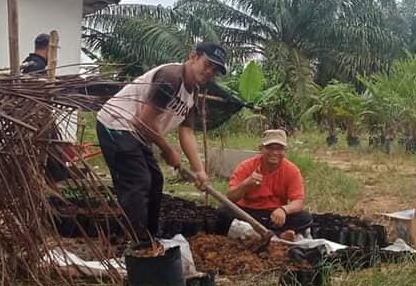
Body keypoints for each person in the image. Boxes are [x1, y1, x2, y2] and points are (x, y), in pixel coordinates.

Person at [95, 41, 227, 252]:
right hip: (116, 124)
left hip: (137, 132)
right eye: (207, 64)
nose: (210, 72)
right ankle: (136, 243)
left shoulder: (192, 92)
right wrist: (168, 150)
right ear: (193, 56)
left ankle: (149, 237)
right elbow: (143, 121)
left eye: (215, 70)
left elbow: (186, 131)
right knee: (138, 181)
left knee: (156, 180)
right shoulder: (171, 78)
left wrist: (199, 170)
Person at [221, 129, 312, 240]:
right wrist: (246, 184)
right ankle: (277, 235)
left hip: (274, 216)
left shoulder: (292, 170)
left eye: (279, 149)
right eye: (270, 148)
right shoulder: (246, 166)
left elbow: (298, 202)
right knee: (223, 211)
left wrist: (284, 210)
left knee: (305, 218)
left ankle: (259, 235)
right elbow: (230, 197)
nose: (274, 152)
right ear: (261, 149)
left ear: (285, 151)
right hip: (248, 213)